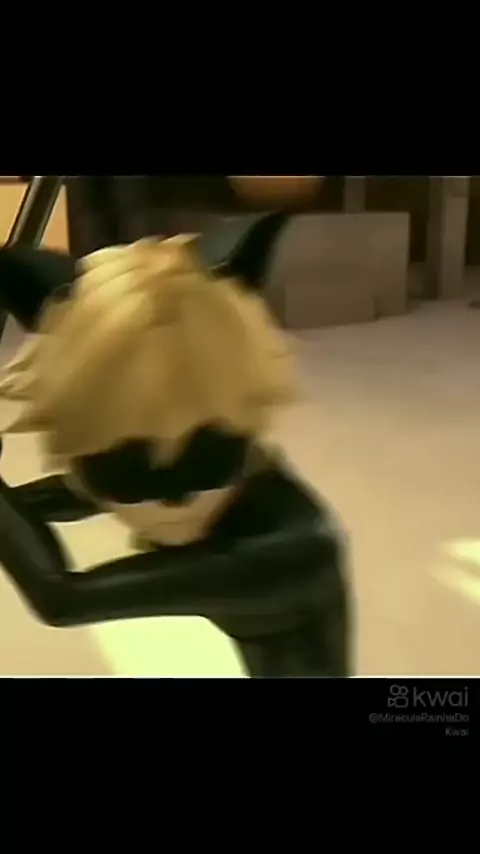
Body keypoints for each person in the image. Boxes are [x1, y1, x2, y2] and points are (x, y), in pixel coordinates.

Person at [0, 212, 350, 677]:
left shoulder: (288, 552)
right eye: (121, 470)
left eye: (209, 459)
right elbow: (54, 501)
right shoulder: (225, 478)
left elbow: (63, 597)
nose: (172, 499)